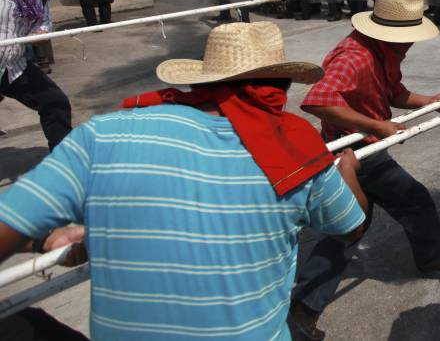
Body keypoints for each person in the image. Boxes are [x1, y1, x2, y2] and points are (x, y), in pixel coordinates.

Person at [0, 21, 369, 340]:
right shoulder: (296, 148)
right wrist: (346, 170)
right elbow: (350, 228)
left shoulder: (104, 135)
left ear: (202, 79)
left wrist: (45, 241)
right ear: (283, 85)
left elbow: (8, 223)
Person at [289, 0, 440, 340]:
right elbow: (316, 101)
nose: (411, 44)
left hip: (365, 147)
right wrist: (375, 125)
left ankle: (305, 307)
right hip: (355, 153)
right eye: (409, 38)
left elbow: (394, 93)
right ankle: (434, 260)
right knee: (412, 200)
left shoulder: (381, 51)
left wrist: (429, 101)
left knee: (351, 225)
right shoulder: (355, 56)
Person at [0, 0, 71, 150]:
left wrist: (41, 31)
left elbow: (43, 20)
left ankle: (63, 160)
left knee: (54, 101)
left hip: (14, 65)